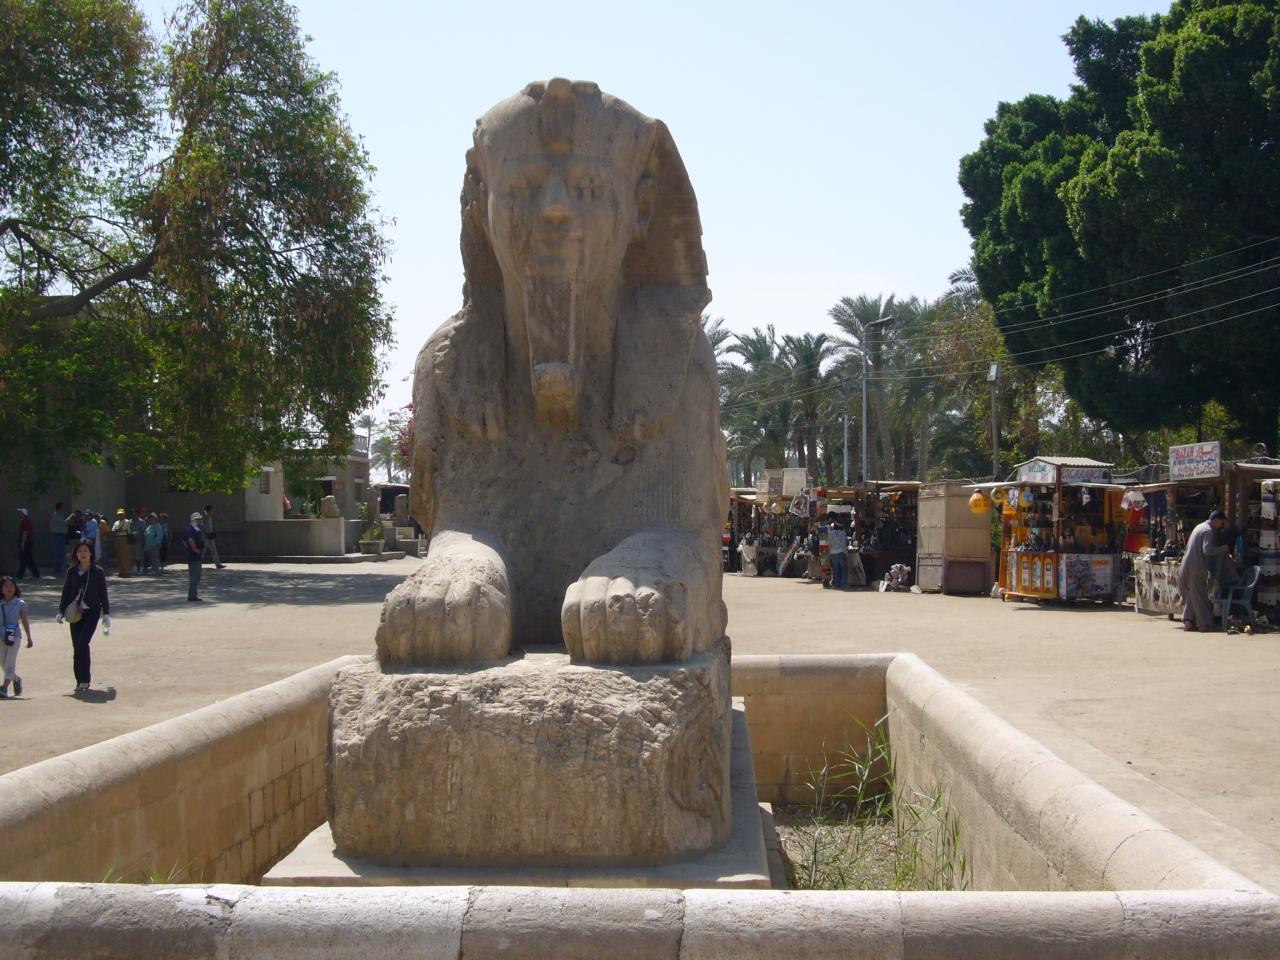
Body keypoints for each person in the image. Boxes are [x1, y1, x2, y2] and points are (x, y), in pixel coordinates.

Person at [57, 539, 110, 692]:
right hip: (75, 612)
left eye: (85, 551)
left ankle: (85, 679)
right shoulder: (72, 572)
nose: (82, 554)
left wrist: (106, 613)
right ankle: (79, 680)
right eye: (79, 551)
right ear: (76, 554)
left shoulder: (98, 571)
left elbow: (103, 593)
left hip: (91, 612)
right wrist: (61, 611)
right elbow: (66, 591)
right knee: (76, 647)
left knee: (82, 643)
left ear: (91, 553)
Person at [1177, 509, 1234, 632]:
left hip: (1186, 565)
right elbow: (1207, 550)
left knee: (1192, 596)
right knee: (1201, 596)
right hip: (1196, 567)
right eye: (1222, 523)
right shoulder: (1208, 531)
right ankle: (1204, 624)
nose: (1221, 526)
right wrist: (1223, 548)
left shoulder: (1199, 526)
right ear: (1216, 520)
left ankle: (1188, 622)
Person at [0, 575, 33, 698]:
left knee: (10, 663)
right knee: (2, 664)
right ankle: (16, 679)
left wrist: (29, 637)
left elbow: (24, 621)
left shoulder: (20, 603)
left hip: (15, 636)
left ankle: (4, 689)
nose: (9, 588)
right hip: (1, 636)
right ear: (1, 589)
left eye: (11, 585)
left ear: (15, 588)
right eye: (6, 586)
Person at [184, 512, 206, 602]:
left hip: (196, 556)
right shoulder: (192, 530)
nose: (200, 521)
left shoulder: (196, 529)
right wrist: (194, 549)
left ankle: (192, 595)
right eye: (198, 519)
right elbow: (189, 539)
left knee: (196, 576)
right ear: (194, 520)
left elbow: (184, 541)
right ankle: (192, 596)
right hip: (193, 557)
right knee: (194, 577)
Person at [15, 508, 39, 580]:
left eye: (20, 513)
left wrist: (22, 543)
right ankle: (19, 575)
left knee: (28, 559)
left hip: (26, 542)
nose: (19, 514)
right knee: (24, 559)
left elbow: (25, 533)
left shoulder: (26, 522)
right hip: (26, 542)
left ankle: (36, 575)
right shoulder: (24, 521)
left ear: (23, 514)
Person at [202, 504, 226, 569]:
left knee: (214, 550)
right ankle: (197, 562)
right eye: (211, 510)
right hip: (206, 536)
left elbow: (210, 526)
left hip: (210, 535)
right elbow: (202, 524)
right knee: (202, 550)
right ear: (208, 510)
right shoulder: (206, 516)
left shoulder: (209, 517)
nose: (212, 511)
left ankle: (218, 564)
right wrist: (205, 533)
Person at [827, 522, 849, 590]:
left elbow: (829, 545)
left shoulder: (830, 534)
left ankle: (837, 585)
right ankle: (843, 584)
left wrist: (829, 554)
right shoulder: (842, 533)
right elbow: (844, 544)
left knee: (835, 570)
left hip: (833, 553)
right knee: (843, 569)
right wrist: (846, 553)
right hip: (841, 552)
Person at [111, 509, 132, 578]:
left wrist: (117, 530)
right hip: (117, 538)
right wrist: (117, 530)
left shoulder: (127, 521)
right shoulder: (116, 522)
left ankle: (127, 572)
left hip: (124, 538)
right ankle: (121, 572)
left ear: (124, 514)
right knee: (119, 555)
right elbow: (113, 530)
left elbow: (122, 529)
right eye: (119, 514)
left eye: (121, 514)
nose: (120, 515)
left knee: (124, 555)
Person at [50, 502, 67, 575]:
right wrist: (70, 518)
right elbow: (64, 523)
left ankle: (59, 568)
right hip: (58, 536)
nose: (64, 508)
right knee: (58, 553)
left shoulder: (59, 515)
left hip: (61, 536)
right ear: (59, 507)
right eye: (62, 507)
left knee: (61, 553)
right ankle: (56, 569)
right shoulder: (56, 515)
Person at [131, 508, 148, 573]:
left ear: (138, 514)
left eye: (135, 514)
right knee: (133, 555)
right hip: (132, 541)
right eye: (132, 514)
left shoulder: (142, 522)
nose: (134, 515)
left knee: (140, 556)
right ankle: (134, 569)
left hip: (140, 541)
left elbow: (144, 532)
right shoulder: (130, 522)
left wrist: (144, 541)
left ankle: (141, 568)